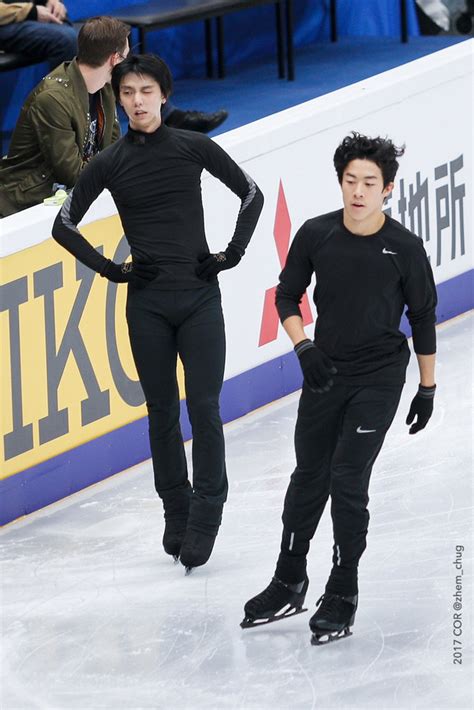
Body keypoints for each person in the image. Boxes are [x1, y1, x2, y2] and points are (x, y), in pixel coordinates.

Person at [51, 53, 264, 573]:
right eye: (127, 93)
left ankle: (207, 514)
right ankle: (177, 508)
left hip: (197, 299)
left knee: (205, 408)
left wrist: (230, 255)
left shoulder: (193, 146)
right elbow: (63, 225)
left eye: (147, 91)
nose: (138, 101)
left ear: (163, 95)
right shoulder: (109, 162)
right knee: (162, 411)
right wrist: (111, 269)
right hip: (145, 304)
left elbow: (251, 195)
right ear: (118, 100)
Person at [241, 132, 437, 644]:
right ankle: (289, 578)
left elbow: (423, 318)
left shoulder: (405, 249)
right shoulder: (317, 234)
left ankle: (342, 588)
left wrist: (427, 388)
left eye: (369, 182)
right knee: (309, 476)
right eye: (350, 180)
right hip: (325, 370)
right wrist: (303, 347)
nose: (358, 191)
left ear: (387, 189)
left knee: (348, 479)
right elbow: (286, 295)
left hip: (379, 376)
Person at [0, 15, 129, 217]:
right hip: (24, 204)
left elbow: (113, 152)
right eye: (125, 57)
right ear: (114, 59)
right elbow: (73, 173)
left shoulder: (105, 88)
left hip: (64, 196)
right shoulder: (52, 99)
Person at [0, 0, 77, 69]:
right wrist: (31, 11)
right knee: (65, 39)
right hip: (5, 20)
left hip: (31, 11)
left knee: (80, 33)